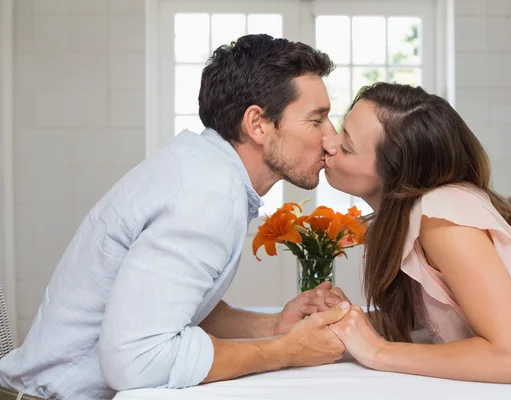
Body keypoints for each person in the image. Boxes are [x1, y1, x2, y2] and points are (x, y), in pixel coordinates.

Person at [0, 34, 349, 400]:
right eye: (317, 120)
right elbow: (136, 360)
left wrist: (277, 325)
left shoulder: (202, 170)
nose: (331, 139)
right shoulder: (206, 196)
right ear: (258, 124)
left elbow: (171, 308)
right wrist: (287, 350)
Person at [316, 82, 511, 399]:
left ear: (396, 169)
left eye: (347, 145)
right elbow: (440, 322)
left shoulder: (443, 215)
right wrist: (344, 322)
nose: (329, 143)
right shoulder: (412, 218)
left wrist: (378, 351)